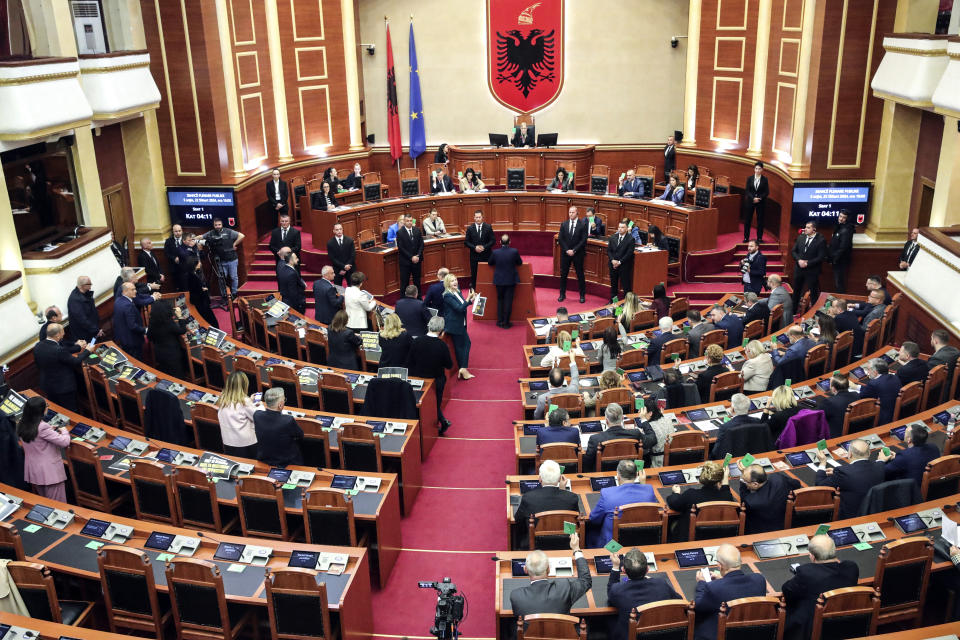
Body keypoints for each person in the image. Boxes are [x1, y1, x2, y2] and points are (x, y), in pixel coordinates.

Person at [781, 534, 859, 640]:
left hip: (812, 630)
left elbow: (787, 590)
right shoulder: (851, 568)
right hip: (845, 626)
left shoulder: (807, 572)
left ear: (812, 556)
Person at [693, 544, 767, 640]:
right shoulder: (759, 580)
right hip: (753, 635)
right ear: (740, 562)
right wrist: (723, 579)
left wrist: (701, 583)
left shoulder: (714, 588)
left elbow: (698, 607)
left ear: (720, 566)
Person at [509, 534, 591, 619]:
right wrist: (576, 549)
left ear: (525, 570)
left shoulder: (516, 596)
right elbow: (585, 581)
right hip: (561, 632)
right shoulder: (564, 588)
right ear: (548, 569)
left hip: (531, 632)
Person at [606, 549, 682, 640]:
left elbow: (610, 592)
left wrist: (615, 566)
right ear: (647, 569)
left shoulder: (617, 590)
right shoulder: (662, 584)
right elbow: (679, 601)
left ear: (623, 570)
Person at [587, 460, 655, 547]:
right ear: (637, 475)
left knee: (589, 532)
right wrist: (643, 485)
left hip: (613, 546)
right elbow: (653, 508)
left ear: (618, 476)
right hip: (640, 541)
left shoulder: (607, 493)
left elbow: (593, 519)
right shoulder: (649, 490)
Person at [815, 438, 885, 518]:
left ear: (850, 454)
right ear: (869, 453)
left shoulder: (842, 471)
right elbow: (860, 474)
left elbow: (820, 485)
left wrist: (822, 462)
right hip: (875, 514)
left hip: (851, 517)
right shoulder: (880, 466)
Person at [17, 396, 70, 501]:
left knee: (45, 502)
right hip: (49, 473)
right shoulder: (42, 427)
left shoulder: (22, 424)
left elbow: (36, 436)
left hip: (34, 471)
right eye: (46, 406)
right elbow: (64, 442)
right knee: (58, 505)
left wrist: (50, 430)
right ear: (41, 410)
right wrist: (64, 430)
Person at [667, 462, 734, 542]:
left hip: (690, 538)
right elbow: (726, 491)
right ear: (720, 482)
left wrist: (676, 493)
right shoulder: (727, 498)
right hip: (716, 538)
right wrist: (725, 478)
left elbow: (673, 503)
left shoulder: (691, 494)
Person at [408, 316, 454, 433]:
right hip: (436, 380)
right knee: (435, 404)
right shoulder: (442, 346)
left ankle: (441, 422)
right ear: (441, 330)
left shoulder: (416, 341)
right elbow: (449, 365)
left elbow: (409, 361)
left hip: (418, 379)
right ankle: (439, 423)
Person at [513, 460, 580, 538]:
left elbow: (518, 520)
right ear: (559, 479)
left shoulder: (528, 498)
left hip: (537, 543)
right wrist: (563, 491)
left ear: (540, 479)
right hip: (567, 542)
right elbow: (575, 522)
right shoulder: (572, 498)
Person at [32, 323, 89, 411]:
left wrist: (77, 346)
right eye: (62, 332)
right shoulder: (58, 350)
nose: (64, 334)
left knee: (56, 410)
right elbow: (75, 361)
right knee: (70, 412)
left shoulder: (38, 346)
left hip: (48, 386)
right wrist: (88, 351)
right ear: (57, 335)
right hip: (63, 388)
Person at [583, 404, 653, 472]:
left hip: (604, 475)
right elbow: (652, 439)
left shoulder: (595, 439)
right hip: (629, 472)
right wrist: (643, 420)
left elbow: (587, 463)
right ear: (622, 418)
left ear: (607, 421)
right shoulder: (635, 434)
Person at [739, 463, 801, 534]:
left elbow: (743, 500)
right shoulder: (778, 477)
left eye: (745, 481)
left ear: (755, 484)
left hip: (764, 532)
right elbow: (797, 484)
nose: (744, 483)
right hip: (790, 522)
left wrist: (741, 481)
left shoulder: (752, 502)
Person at [254, 387, 304, 467]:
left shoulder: (257, 415)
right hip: (285, 462)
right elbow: (300, 435)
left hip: (264, 459)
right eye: (284, 400)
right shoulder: (288, 420)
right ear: (280, 405)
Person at [216, 371, 259, 459]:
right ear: (244, 385)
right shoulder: (244, 401)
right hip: (246, 445)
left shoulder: (222, 399)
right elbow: (258, 417)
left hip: (228, 443)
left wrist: (250, 401)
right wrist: (259, 404)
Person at [710, 393, 765, 459]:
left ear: (732, 409)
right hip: (750, 458)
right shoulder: (757, 421)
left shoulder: (725, 427)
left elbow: (716, 451)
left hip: (730, 459)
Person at [442, 273, 476, 379]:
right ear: (447, 283)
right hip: (454, 324)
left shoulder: (457, 291)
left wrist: (471, 300)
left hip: (461, 322)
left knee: (459, 347)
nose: (455, 282)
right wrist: (468, 299)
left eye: (455, 280)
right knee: (466, 343)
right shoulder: (447, 295)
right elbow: (459, 308)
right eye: (452, 281)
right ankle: (463, 368)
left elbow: (463, 304)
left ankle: (463, 370)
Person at [200, 218, 244, 298]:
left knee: (234, 277)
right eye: (216, 225)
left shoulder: (228, 231)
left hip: (232, 259)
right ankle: (224, 295)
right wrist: (191, 239)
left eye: (219, 224)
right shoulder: (211, 233)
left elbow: (242, 236)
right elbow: (201, 237)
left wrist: (234, 244)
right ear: (213, 225)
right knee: (221, 278)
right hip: (220, 261)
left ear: (222, 224)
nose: (217, 226)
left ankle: (234, 293)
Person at [147, 300, 191, 379]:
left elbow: (149, 337)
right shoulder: (168, 322)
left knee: (166, 375)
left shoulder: (152, 321)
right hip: (172, 354)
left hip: (159, 353)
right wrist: (180, 316)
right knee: (177, 377)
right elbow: (182, 330)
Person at [488, 234, 523, 329]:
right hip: (510, 281)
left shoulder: (495, 252)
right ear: (510, 242)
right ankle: (506, 323)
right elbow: (520, 263)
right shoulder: (514, 252)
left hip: (499, 281)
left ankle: (499, 321)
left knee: (500, 301)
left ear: (500, 242)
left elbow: (490, 263)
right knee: (508, 301)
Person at [791, 221, 826, 309]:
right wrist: (799, 260)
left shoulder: (821, 240)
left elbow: (821, 257)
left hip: (812, 271)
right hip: (799, 269)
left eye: (808, 227)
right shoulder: (801, 237)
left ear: (814, 229)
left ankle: (814, 312)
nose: (805, 229)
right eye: (805, 227)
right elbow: (794, 251)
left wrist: (807, 263)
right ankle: (794, 311)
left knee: (813, 293)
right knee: (796, 291)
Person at [557, 206, 587, 303]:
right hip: (566, 254)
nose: (571, 214)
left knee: (580, 275)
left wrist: (574, 250)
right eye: (569, 212)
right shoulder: (564, 224)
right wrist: (567, 250)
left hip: (578, 254)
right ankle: (562, 294)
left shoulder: (582, 224)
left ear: (577, 213)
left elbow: (583, 240)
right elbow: (561, 238)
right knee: (563, 274)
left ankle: (582, 295)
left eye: (573, 212)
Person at [859, 357, 901, 426]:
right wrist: (857, 387)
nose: (867, 373)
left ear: (875, 372)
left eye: (868, 369)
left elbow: (861, 396)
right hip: (897, 413)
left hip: (882, 419)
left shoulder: (874, 383)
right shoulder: (894, 377)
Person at [815, 373, 860, 438]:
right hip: (855, 432)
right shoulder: (856, 395)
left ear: (833, 389)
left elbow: (818, 419)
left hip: (836, 435)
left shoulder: (829, 402)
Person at [184, 253, 219, 328]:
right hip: (201, 302)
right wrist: (204, 289)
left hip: (200, 300)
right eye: (199, 262)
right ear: (195, 264)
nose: (200, 263)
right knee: (210, 321)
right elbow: (197, 290)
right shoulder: (193, 276)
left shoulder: (193, 274)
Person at [114, 282, 147, 359]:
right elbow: (133, 326)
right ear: (125, 292)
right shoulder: (128, 305)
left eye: (135, 289)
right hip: (133, 341)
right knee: (138, 363)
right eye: (133, 289)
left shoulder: (118, 301)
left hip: (124, 340)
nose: (135, 291)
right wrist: (145, 330)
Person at [639, 399, 675, 467]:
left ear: (650, 413)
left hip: (656, 463)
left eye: (642, 413)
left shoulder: (649, 427)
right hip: (671, 460)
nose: (640, 415)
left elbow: (644, 451)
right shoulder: (667, 420)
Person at [67, 276, 102, 342]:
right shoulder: (75, 300)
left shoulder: (85, 293)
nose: (91, 285)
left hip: (92, 330)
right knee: (91, 347)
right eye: (89, 284)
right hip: (85, 334)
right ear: (82, 286)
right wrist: (96, 330)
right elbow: (82, 320)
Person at [465, 210, 494, 289]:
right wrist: (475, 248)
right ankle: (475, 290)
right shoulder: (470, 228)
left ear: (482, 218)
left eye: (479, 217)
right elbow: (466, 242)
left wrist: (484, 247)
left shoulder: (488, 227)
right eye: (476, 217)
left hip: (486, 256)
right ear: (474, 218)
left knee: (487, 274)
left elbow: (492, 241)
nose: (478, 219)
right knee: (474, 275)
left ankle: (487, 290)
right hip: (474, 257)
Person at [608, 221, 635, 302]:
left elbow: (629, 253)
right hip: (613, 265)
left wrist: (619, 262)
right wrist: (612, 260)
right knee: (614, 286)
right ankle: (614, 303)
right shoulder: (613, 237)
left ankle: (627, 304)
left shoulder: (630, 239)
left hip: (624, 266)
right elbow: (609, 251)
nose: (620, 229)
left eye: (622, 227)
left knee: (626, 286)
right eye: (619, 227)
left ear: (627, 229)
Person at [397, 214, 425, 294]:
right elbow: (401, 248)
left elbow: (421, 244)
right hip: (406, 262)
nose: (409, 222)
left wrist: (418, 255)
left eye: (410, 221)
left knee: (417, 282)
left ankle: (419, 298)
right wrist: (411, 257)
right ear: (404, 222)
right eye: (407, 221)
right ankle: (403, 300)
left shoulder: (417, 230)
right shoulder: (400, 232)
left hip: (417, 261)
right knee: (404, 283)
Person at [743, 161, 770, 242]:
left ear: (762, 170)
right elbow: (747, 191)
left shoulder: (765, 179)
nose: (757, 170)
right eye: (756, 169)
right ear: (754, 169)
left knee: (760, 221)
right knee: (748, 220)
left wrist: (759, 198)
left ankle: (759, 238)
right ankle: (746, 238)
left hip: (761, 203)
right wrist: (753, 198)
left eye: (759, 169)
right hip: (750, 202)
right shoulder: (749, 178)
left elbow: (767, 192)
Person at [829, 210, 855, 293]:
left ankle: (840, 301)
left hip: (840, 260)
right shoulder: (839, 226)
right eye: (840, 216)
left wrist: (834, 259)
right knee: (837, 281)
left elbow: (843, 247)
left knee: (839, 282)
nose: (841, 219)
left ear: (847, 219)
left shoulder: (847, 230)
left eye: (844, 218)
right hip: (836, 259)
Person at [164, 224, 187, 291]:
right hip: (174, 268)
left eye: (179, 231)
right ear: (173, 232)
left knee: (186, 286)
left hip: (185, 267)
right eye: (176, 231)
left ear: (182, 231)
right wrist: (174, 258)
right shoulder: (168, 241)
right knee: (177, 287)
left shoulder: (186, 239)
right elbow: (166, 253)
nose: (178, 233)